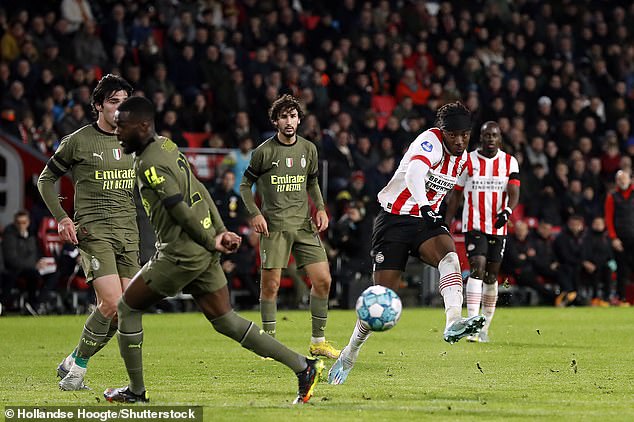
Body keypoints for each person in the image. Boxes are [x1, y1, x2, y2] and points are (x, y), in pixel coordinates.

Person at [104, 96, 323, 404]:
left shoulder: (150, 161)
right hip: (202, 251)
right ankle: (303, 367)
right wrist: (220, 232)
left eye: (122, 127)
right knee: (225, 320)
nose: (117, 134)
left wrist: (212, 239)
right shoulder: (167, 145)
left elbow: (179, 208)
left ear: (142, 126)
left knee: (127, 308)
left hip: (179, 253)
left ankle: (136, 392)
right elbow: (200, 188)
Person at [328, 101, 485, 385]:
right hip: (394, 221)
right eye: (454, 135)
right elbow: (414, 174)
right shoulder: (429, 141)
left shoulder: (463, 158)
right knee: (381, 296)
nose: (460, 140)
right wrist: (425, 205)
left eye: (465, 134)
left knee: (450, 259)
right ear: (443, 131)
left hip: (425, 222)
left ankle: (453, 322)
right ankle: (350, 353)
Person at [37, 74, 138, 390]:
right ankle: (77, 373)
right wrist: (62, 218)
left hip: (129, 233)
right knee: (110, 303)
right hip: (94, 231)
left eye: (124, 102)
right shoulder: (78, 141)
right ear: (98, 105)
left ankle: (72, 359)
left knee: (126, 312)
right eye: (113, 102)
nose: (120, 108)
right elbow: (45, 179)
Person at [239, 94, 340, 359]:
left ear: (299, 119)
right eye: (283, 116)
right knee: (270, 286)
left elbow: (312, 183)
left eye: (293, 116)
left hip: (305, 226)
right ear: (275, 121)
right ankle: (268, 344)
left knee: (323, 280)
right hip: (275, 227)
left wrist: (320, 208)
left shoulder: (309, 149)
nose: (289, 121)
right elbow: (244, 186)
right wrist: (255, 214)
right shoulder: (264, 152)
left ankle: (318, 341)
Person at [444, 121, 520, 342]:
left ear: (500, 138)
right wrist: (446, 222)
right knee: (477, 267)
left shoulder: (509, 161)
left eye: (494, 135)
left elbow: (514, 191)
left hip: (498, 225)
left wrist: (507, 210)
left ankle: (484, 325)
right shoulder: (468, 160)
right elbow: (456, 194)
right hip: (473, 224)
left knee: (491, 276)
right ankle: (472, 323)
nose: (490, 139)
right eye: (487, 135)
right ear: (481, 137)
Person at [604, 169, 634, 306]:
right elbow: (609, 219)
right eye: (620, 180)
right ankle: (622, 298)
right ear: (616, 182)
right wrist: (613, 238)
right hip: (620, 239)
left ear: (629, 179)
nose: (622, 182)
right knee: (622, 269)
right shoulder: (612, 197)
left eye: (624, 179)